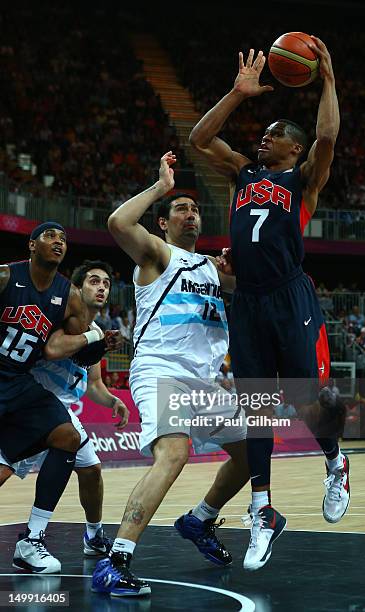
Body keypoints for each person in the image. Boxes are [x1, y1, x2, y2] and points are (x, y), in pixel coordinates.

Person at [189, 38, 350, 570]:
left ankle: (335, 462)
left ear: (295, 149)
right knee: (255, 409)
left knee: (305, 400)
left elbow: (328, 133)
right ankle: (261, 511)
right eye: (263, 133)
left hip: (289, 295)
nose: (264, 139)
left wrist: (326, 78)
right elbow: (199, 137)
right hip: (250, 303)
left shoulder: (303, 180)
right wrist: (237, 94)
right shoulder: (244, 173)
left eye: (274, 134)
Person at [91, 152, 249, 597]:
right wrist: (161, 188)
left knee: (253, 450)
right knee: (174, 453)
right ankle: (115, 560)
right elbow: (118, 223)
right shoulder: (158, 254)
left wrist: (239, 271)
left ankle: (198, 519)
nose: (191, 214)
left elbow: (253, 288)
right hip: (161, 371)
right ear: (163, 223)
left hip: (205, 382)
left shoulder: (213, 269)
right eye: (181, 209)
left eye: (195, 208)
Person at [0, 260, 129, 573]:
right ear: (76, 288)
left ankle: (94, 535)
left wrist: (112, 400)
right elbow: (52, 350)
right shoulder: (56, 319)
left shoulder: (96, 332)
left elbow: (94, 384)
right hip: (30, 406)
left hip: (60, 412)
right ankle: (31, 542)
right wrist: (90, 341)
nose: (100, 288)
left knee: (92, 470)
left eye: (105, 284)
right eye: (93, 282)